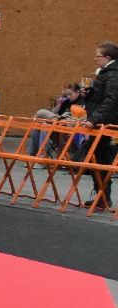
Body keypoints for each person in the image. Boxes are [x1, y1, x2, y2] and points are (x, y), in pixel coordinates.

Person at [80, 41, 118, 210]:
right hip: (102, 122)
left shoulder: (113, 75)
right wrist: (89, 94)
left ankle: (103, 197)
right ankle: (101, 196)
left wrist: (94, 119)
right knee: (96, 159)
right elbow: (101, 98)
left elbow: (111, 101)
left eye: (98, 56)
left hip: (107, 125)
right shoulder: (106, 73)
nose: (95, 59)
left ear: (107, 57)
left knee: (101, 160)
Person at [27, 83, 85, 159]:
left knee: (41, 112)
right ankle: (33, 155)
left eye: (70, 94)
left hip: (67, 128)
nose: (68, 97)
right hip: (58, 127)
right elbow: (54, 113)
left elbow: (79, 120)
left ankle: (41, 156)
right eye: (67, 95)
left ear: (78, 92)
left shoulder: (82, 103)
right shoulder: (67, 102)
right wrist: (59, 105)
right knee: (40, 125)